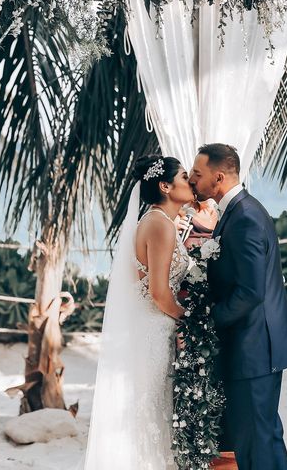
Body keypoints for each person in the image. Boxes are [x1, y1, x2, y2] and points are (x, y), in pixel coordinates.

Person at [189, 143, 287, 470]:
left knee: (259, 440)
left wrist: (209, 323)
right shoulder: (237, 212)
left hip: (256, 346)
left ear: (219, 177)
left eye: (198, 174)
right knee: (253, 439)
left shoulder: (246, 218)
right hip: (250, 343)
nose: (194, 179)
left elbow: (251, 291)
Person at [83, 155, 194, 470]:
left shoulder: (156, 220)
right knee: (151, 411)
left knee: (148, 410)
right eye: (185, 177)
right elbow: (159, 292)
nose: (191, 183)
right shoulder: (160, 224)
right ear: (165, 186)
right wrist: (190, 320)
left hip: (149, 327)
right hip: (155, 330)